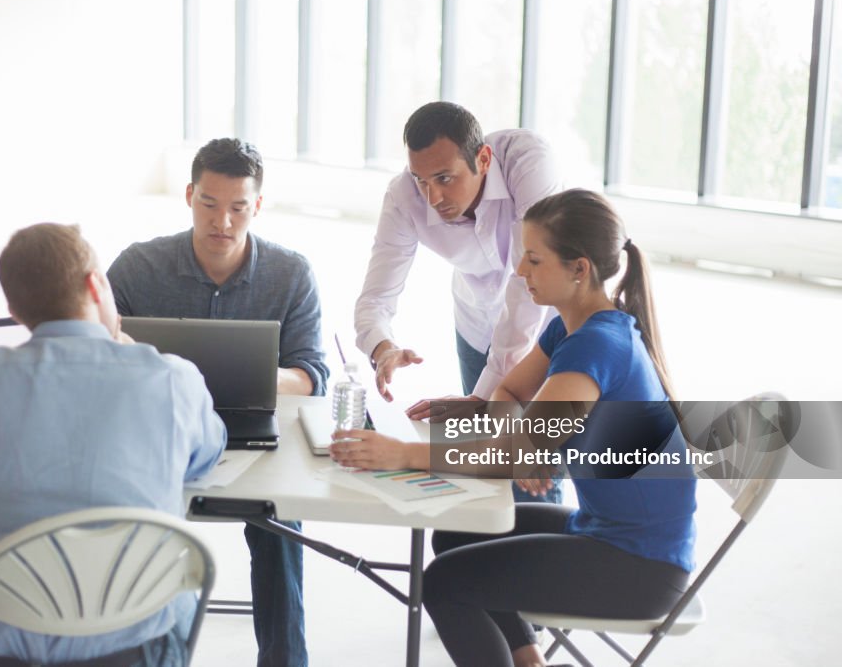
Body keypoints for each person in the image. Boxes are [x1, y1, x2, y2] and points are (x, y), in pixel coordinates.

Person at [332, 189, 697, 667]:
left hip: (640, 567)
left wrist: (404, 453)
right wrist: (524, 447)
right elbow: (508, 393)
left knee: (444, 585)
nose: (520, 271)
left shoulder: (597, 346)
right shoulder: (572, 325)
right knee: (456, 534)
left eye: (533, 259)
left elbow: (504, 453)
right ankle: (529, 661)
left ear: (579, 268)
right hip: (605, 531)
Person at [0, 223, 226, 667]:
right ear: (96, 285)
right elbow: (207, 455)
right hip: (129, 650)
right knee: (179, 598)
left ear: (15, 312)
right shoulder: (172, 379)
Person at [108, 138, 328, 667]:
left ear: (258, 206)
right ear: (188, 195)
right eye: (209, 203)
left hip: (255, 431)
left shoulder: (291, 273)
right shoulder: (138, 266)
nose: (222, 222)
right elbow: (96, 351)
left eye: (237, 207)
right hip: (156, 432)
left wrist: (255, 375)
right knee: (118, 515)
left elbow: (311, 375)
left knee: (280, 524)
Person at [354, 101, 564, 504]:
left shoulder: (528, 163)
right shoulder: (403, 197)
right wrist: (383, 347)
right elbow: (376, 296)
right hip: (477, 324)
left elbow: (527, 287)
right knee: (485, 475)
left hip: (545, 329)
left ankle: (543, 554)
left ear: (483, 159)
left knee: (531, 467)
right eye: (421, 180)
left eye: (445, 178)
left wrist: (484, 397)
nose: (433, 196)